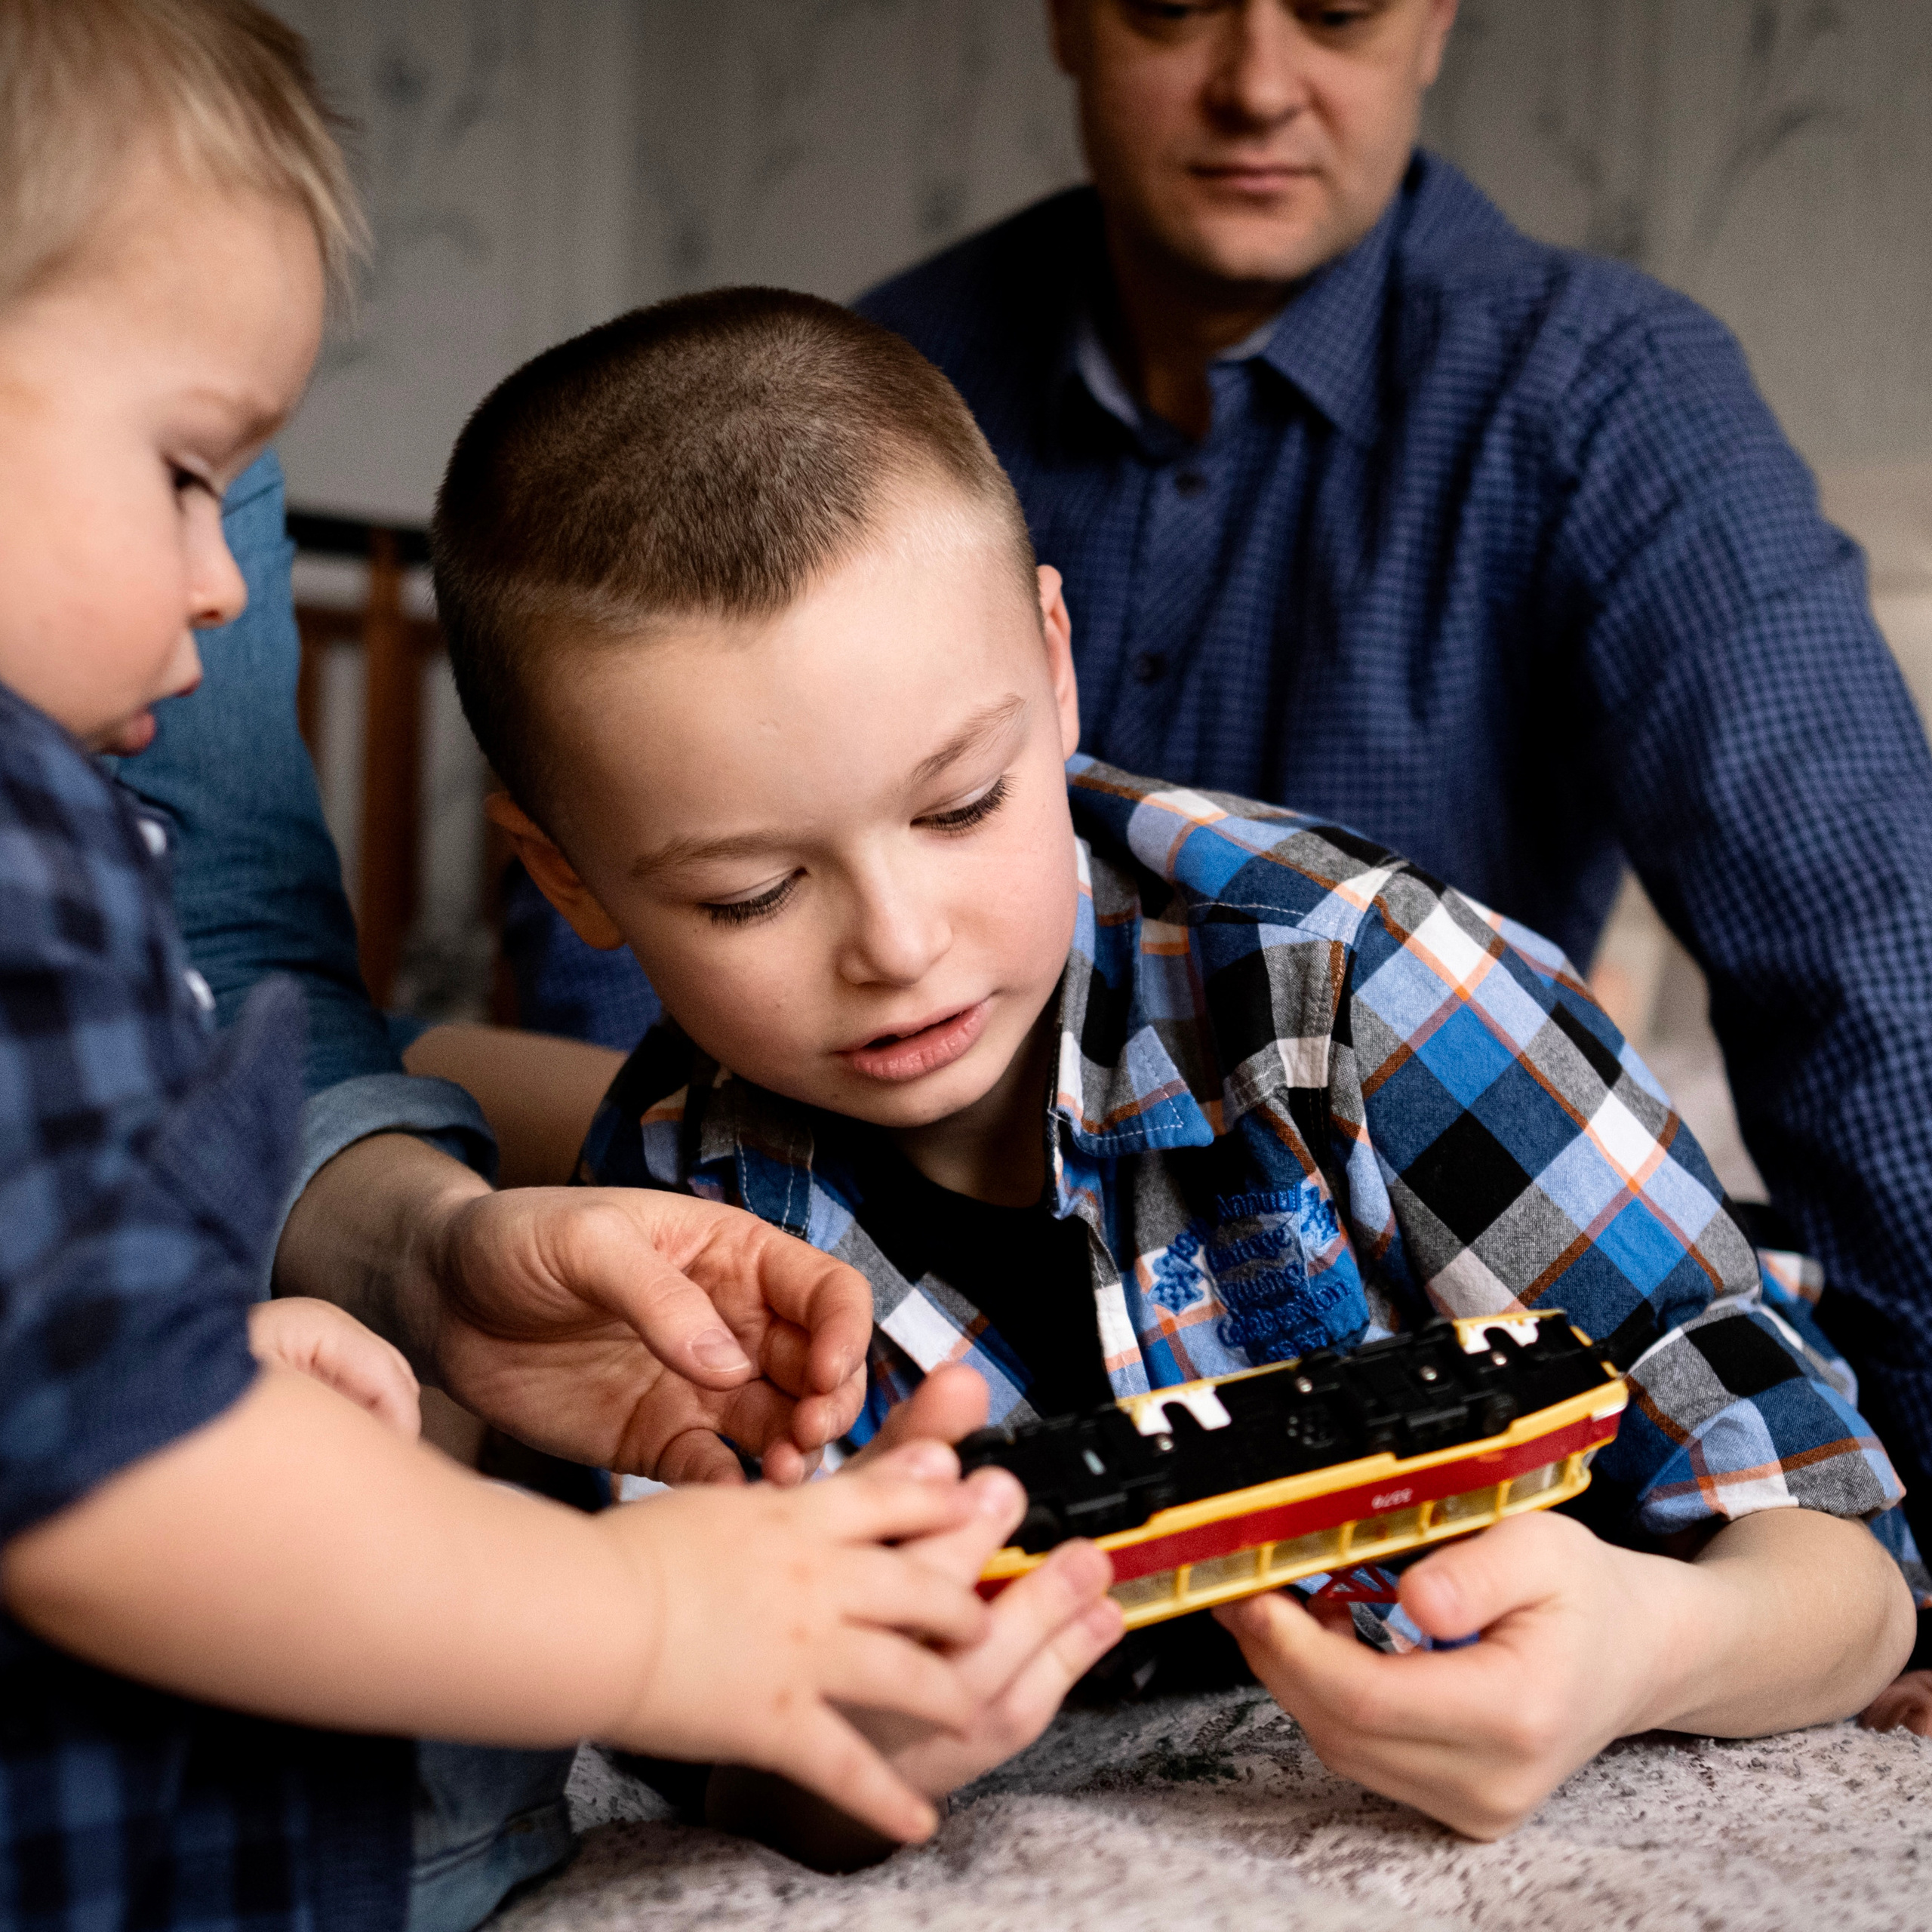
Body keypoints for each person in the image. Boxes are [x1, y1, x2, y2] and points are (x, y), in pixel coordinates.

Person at [432, 285, 1915, 1847]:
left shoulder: (1346, 977)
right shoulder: (672, 1212)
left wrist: (1639, 1647)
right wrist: (830, 1743)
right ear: (569, 879)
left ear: (1056, 670)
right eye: (749, 894)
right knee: (451, 1086)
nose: (897, 943)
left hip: (1611, 1426)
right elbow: (719, 1743)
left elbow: (1851, 1556)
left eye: (957, 807)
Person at [510, 0, 1932, 1581]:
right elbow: (625, 920)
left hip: (1436, 1210)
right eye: (1172, 8)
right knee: (465, 1113)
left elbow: (1862, 939)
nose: (1257, 86)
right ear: (1062, 20)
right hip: (890, 1207)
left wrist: (1903, 1528)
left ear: (1434, 19)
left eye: (1332, 10)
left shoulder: (1602, 395)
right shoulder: (878, 388)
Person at [0, 5, 1117, 1927]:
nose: (220, 578)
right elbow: (108, 1487)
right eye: (188, 473)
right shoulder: (28, 839)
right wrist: (650, 1614)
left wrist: (239, 1342)